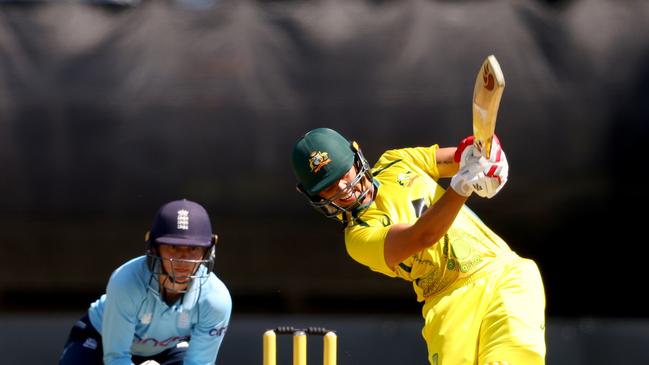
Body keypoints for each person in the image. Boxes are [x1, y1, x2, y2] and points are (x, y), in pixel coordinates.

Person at [291, 128, 545, 365]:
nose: (343, 189)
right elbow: (422, 236)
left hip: (503, 275)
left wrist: (484, 157)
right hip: (447, 305)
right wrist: (463, 185)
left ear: (357, 158)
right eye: (328, 188)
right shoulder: (358, 237)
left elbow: (459, 158)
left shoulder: (397, 161)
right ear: (315, 196)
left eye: (343, 174)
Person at [58, 199, 232, 365]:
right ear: (154, 248)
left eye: (193, 248)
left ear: (208, 251)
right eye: (173, 247)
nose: (183, 258)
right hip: (99, 340)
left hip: (168, 349)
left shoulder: (216, 299)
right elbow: (116, 358)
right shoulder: (126, 282)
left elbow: (199, 362)